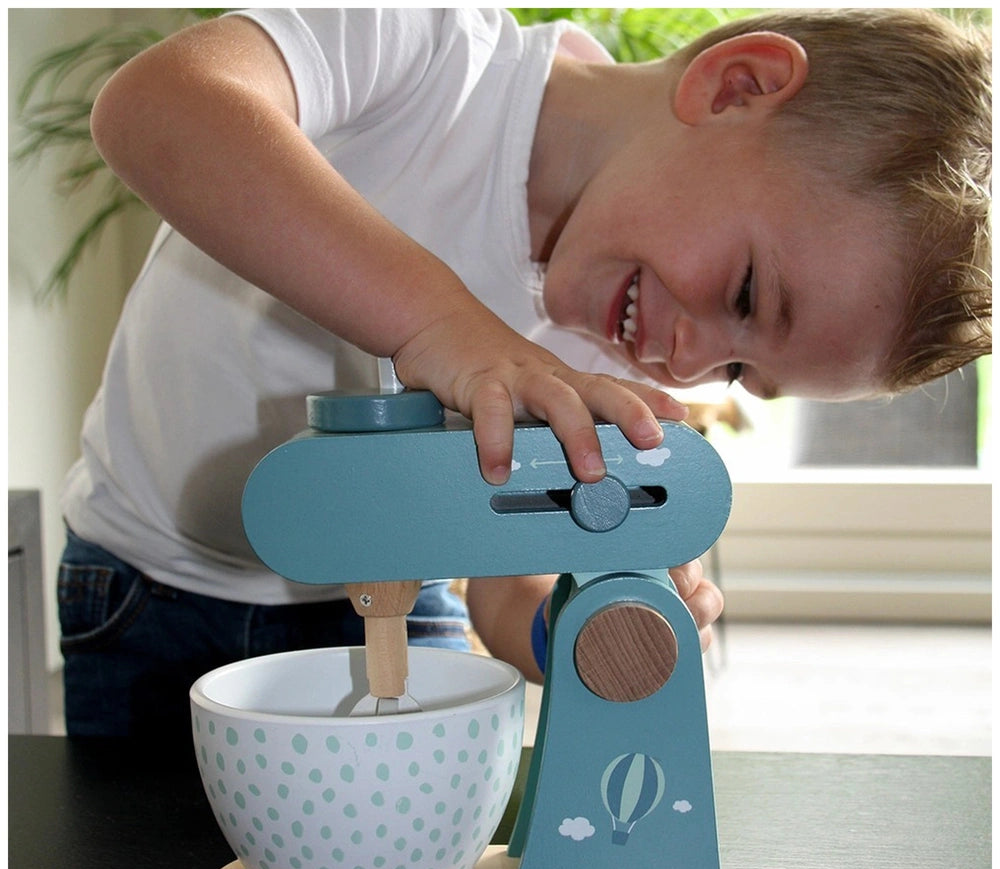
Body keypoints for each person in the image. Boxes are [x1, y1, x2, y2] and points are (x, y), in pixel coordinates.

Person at [59, 8, 990, 739]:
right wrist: (439, 323)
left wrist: (587, 625)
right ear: (735, 86)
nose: (691, 359)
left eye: (742, 369)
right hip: (147, 588)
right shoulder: (424, 51)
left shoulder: (607, 355)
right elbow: (155, 106)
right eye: (746, 294)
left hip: (394, 617)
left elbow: (505, 589)